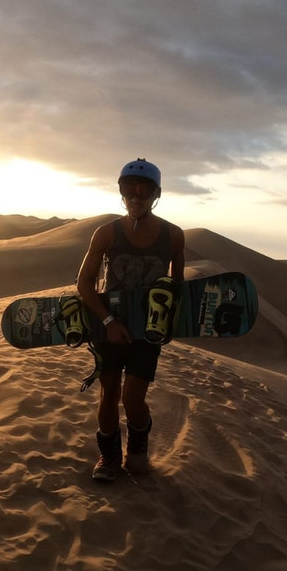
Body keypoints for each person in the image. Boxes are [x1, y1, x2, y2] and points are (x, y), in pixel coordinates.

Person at [76, 158, 185, 481]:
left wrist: (168, 323)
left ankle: (137, 448)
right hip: (108, 326)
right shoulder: (106, 234)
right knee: (109, 394)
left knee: (133, 397)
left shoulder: (174, 236)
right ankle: (108, 458)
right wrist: (108, 321)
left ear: (156, 194)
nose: (136, 196)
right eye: (129, 189)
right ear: (121, 192)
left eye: (144, 190)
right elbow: (84, 282)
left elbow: (177, 286)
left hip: (147, 331)